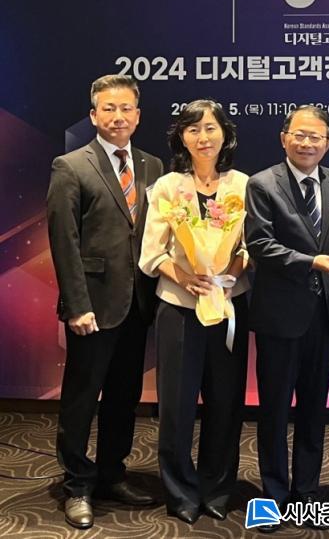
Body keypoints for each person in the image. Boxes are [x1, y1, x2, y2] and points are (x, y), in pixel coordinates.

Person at [46, 75, 163, 529]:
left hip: (138, 303)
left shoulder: (152, 165)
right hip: (92, 306)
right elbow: (65, 241)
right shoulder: (71, 165)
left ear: (138, 115)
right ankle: (77, 483)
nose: (118, 117)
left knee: (124, 395)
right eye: (109, 109)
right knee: (82, 397)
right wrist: (77, 305)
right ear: (94, 115)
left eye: (126, 108)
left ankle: (112, 473)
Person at [138, 100, 250, 525]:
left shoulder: (243, 185)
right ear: (182, 138)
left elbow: (251, 246)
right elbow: (152, 254)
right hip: (179, 309)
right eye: (193, 130)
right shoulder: (168, 187)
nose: (203, 137)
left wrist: (230, 274)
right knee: (177, 405)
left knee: (226, 402)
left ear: (225, 134)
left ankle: (217, 488)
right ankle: (181, 490)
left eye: (210, 128)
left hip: (228, 306)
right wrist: (186, 278)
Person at [245, 105, 329, 533]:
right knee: (273, 410)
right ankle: (273, 493)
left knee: (314, 409)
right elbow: (259, 245)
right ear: (284, 138)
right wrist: (312, 262)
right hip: (279, 316)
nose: (307, 143)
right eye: (300, 135)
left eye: (316, 137)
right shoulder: (262, 183)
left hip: (323, 316)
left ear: (328, 143)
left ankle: (306, 491)